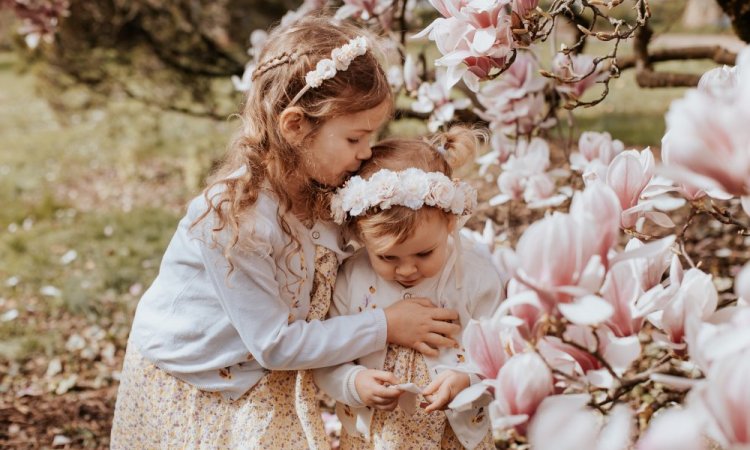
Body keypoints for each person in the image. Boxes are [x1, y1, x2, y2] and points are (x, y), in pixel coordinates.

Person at [110, 16, 462, 449]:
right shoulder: (238, 222)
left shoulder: (329, 188)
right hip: (194, 380)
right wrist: (385, 325)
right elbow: (274, 343)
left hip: (262, 377)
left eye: (372, 136)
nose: (367, 152)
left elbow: (395, 239)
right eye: (355, 138)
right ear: (295, 126)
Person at [313, 126, 505, 449]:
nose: (406, 270)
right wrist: (353, 381)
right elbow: (329, 351)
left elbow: (503, 349)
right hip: (375, 437)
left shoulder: (473, 275)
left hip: (452, 437)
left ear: (450, 222)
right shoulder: (353, 277)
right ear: (362, 235)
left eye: (424, 253)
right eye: (387, 257)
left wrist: (468, 380)